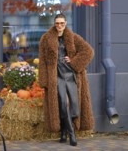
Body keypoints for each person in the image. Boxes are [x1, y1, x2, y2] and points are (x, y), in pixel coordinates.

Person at [39, 13, 94, 146]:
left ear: (66, 23)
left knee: (74, 106)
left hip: (71, 74)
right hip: (56, 75)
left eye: (62, 23)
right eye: (57, 23)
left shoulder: (73, 37)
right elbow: (42, 61)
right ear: (54, 23)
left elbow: (89, 51)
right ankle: (71, 134)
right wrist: (44, 80)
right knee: (63, 104)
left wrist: (74, 61)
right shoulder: (46, 39)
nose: (59, 26)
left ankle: (63, 131)